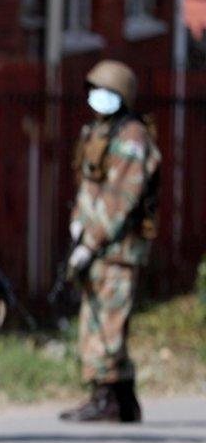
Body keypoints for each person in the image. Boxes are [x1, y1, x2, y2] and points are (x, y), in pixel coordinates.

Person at [59, 60, 160, 423]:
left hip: (117, 248)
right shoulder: (100, 132)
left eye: (107, 92)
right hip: (97, 243)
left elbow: (122, 198)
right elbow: (90, 188)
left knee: (106, 323)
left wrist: (92, 239)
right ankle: (123, 400)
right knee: (99, 318)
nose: (97, 98)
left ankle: (106, 399)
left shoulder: (131, 136)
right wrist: (77, 227)